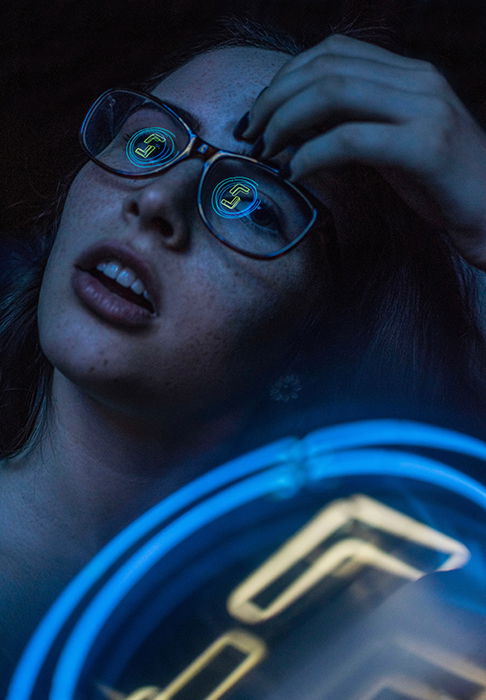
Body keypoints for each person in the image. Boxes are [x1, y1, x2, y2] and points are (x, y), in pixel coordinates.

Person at [0, 12, 485, 686]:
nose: (159, 201)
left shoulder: (354, 638)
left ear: (315, 343)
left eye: (252, 205)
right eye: (148, 144)